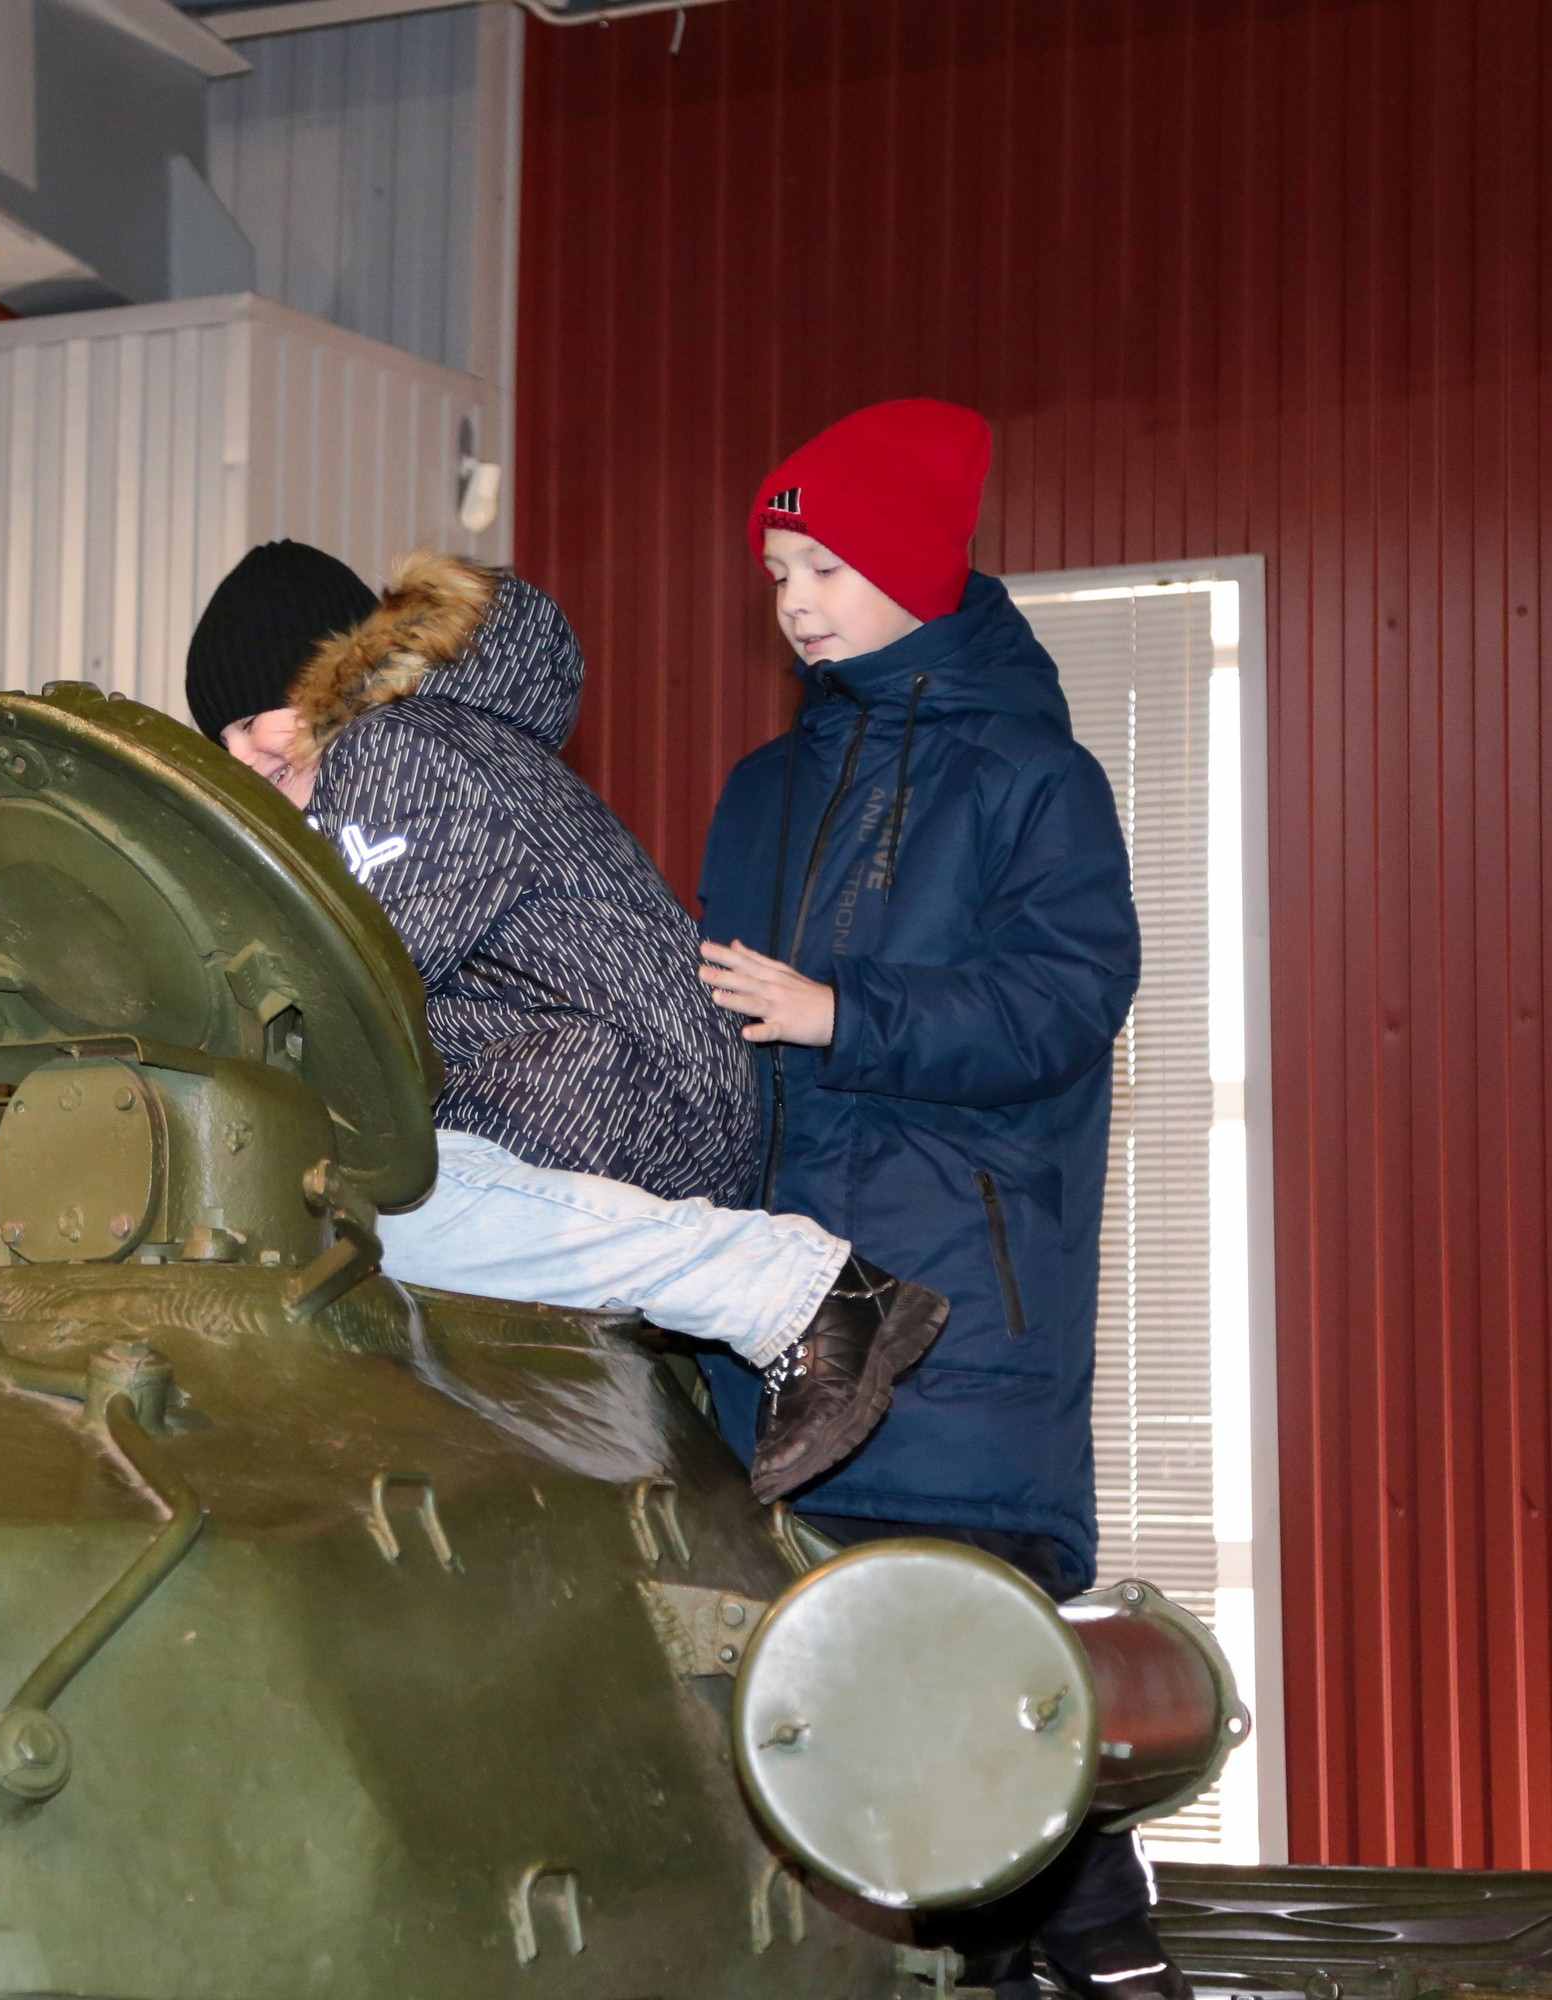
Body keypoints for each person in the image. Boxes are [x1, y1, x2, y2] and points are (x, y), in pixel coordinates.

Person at [692, 399, 1161, 1998]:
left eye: (827, 566)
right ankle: (1044, 1949)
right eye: (778, 574)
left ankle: (1101, 1949)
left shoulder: (1036, 779)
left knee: (954, 1661)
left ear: (915, 565)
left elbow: (1066, 1001)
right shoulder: (763, 789)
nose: (796, 602)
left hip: (960, 1298)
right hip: (780, 1301)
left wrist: (847, 1014)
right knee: (841, 1697)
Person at [186, 541, 947, 1502]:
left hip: (594, 1081)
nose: (244, 759)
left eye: (258, 721)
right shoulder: (459, 749)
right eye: (221, 739)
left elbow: (355, 998)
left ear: (336, 680)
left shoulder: (397, 748)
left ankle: (793, 1289)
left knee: (340, 1211)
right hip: (611, 1086)